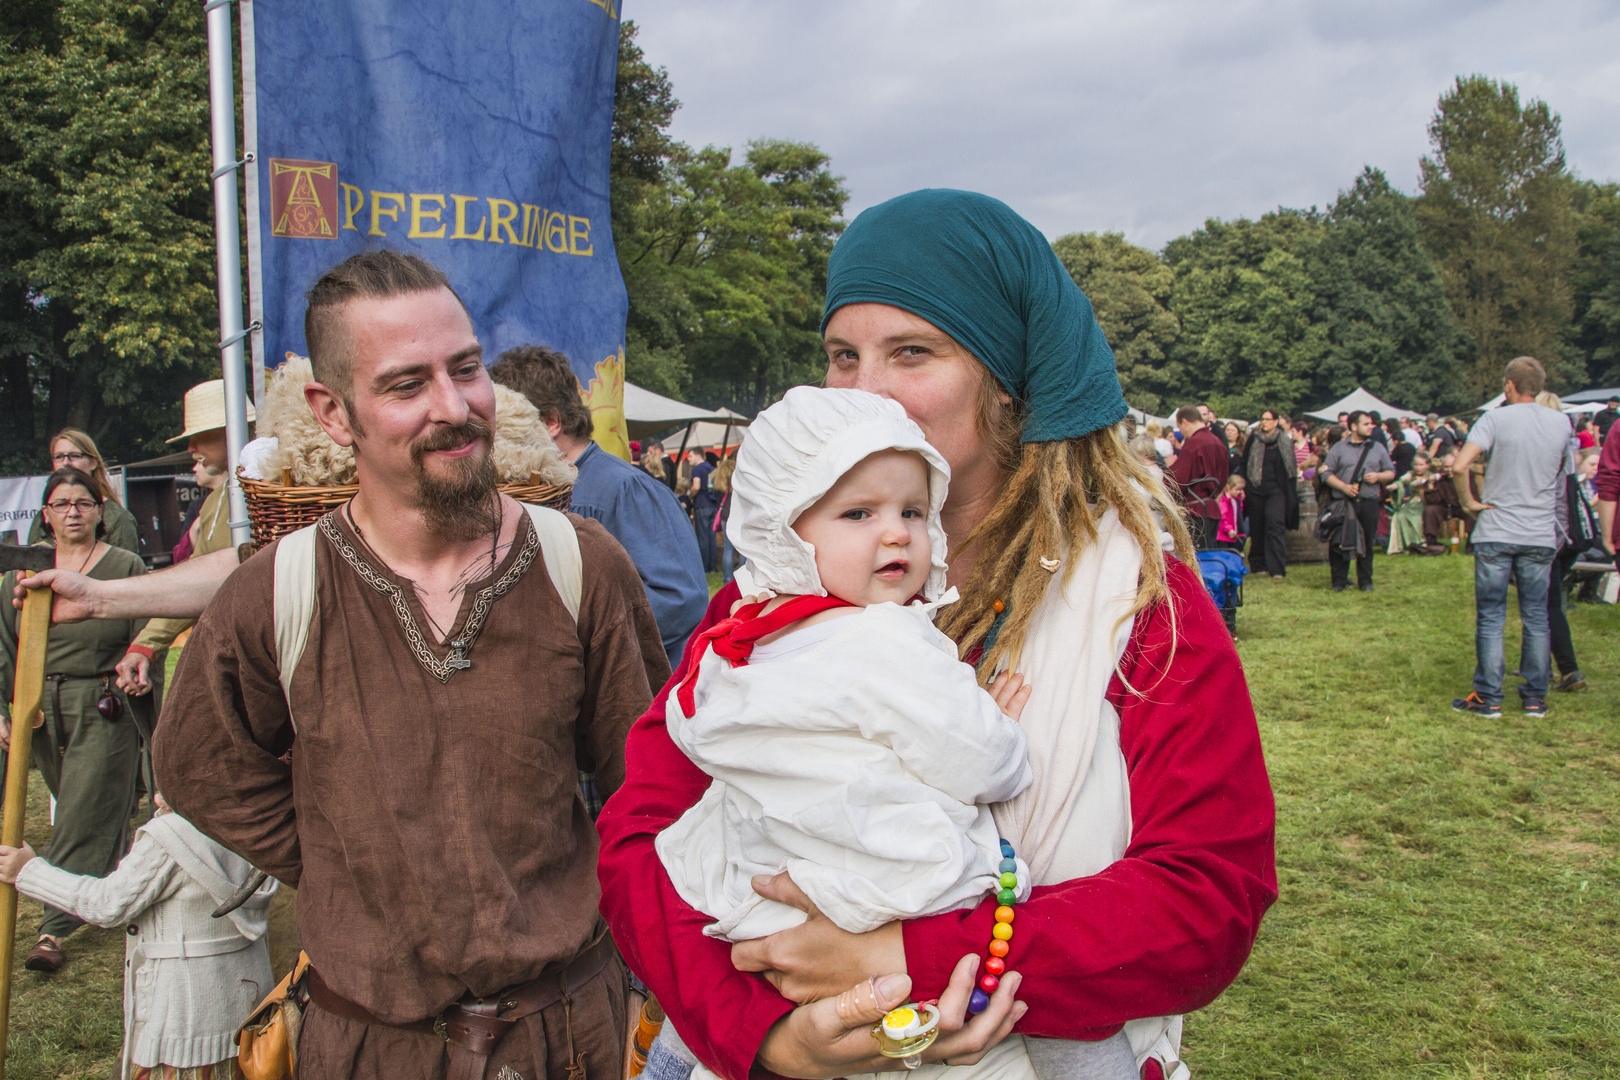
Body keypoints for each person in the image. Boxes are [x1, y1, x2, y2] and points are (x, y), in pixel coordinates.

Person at [597, 189, 1275, 1080]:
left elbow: (1206, 899)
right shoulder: (778, 596)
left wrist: (915, 956)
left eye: (912, 352)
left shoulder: (1139, 603)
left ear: (1007, 382)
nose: (866, 391)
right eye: (843, 356)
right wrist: (767, 1033)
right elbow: (640, 834)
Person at [150, 250, 667, 1080]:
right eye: (405, 385)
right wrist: (343, 858)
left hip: (568, 1036)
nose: (455, 407)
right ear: (331, 410)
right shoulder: (276, 592)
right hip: (368, 1049)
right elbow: (198, 764)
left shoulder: (581, 564)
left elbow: (650, 782)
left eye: (466, 370)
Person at [658, 386, 1036, 955]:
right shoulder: (885, 638)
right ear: (782, 531)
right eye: (858, 513)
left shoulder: (740, 640)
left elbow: (692, 731)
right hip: (891, 882)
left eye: (912, 510)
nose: (896, 532)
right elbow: (983, 765)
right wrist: (998, 725)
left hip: (758, 891)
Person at [0, 794, 276, 1080]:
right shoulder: (253, 816)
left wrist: (27, 871)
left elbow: (105, 904)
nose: (156, 796)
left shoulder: (173, 835)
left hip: (183, 1022)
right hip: (247, 1002)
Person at [0, 468, 147, 972]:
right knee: (81, 800)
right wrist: (5, 710)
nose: (72, 512)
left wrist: (138, 673)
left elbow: (143, 633)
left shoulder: (124, 565)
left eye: (82, 503)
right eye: (61, 504)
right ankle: (116, 868)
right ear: (45, 514)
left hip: (101, 701)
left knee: (83, 807)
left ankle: (52, 930)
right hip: (40, 705)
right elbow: (5, 649)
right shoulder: (21, 575)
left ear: (99, 511)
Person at [490, 344, 709, 671]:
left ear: (550, 422)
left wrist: (579, 642)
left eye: (504, 426)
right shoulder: (529, 491)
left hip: (640, 700)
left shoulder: (624, 489)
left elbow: (681, 599)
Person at [1449, 357, 1574, 720]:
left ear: (1508, 385)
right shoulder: (1561, 422)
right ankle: (1535, 697)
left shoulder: (1494, 419)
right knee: (1537, 615)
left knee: (1491, 615)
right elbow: (1563, 472)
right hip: (1539, 530)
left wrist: (1469, 502)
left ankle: (1489, 696)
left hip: (1498, 526)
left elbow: (1459, 465)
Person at [113, 380, 254, 700]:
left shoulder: (274, 492)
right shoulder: (214, 502)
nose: (191, 448)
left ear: (231, 429)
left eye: (198, 436)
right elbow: (197, 576)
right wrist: (146, 644)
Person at [28, 429, 141, 552]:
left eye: (74, 456)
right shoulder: (44, 515)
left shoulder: (118, 518)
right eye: (59, 457)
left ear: (93, 463)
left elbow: (126, 568)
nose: (66, 463)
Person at [1319, 411, 1396, 592]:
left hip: (1368, 502)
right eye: (1366, 424)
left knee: (1367, 542)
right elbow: (1325, 473)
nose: (1371, 427)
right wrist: (1343, 486)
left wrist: (1378, 476)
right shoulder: (1338, 448)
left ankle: (1365, 581)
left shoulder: (1377, 448)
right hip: (1343, 502)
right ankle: (1339, 580)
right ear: (1354, 426)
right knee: (1339, 542)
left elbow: (1391, 472)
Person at [1239, 409, 1298, 579]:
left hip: (1277, 490)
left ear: (1276, 421)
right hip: (1256, 488)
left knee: (1275, 525)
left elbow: (1290, 469)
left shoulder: (1284, 442)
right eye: (1262, 419)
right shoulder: (1254, 439)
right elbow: (1245, 463)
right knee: (1257, 527)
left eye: (1267, 419)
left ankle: (1277, 567)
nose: (1264, 422)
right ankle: (1258, 564)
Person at [1169, 405, 1229, 549]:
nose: (1181, 432)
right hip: (1212, 507)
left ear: (1185, 422)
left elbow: (1178, 479)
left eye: (1180, 427)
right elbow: (1224, 476)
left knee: (1197, 557)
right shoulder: (1218, 442)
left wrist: (1168, 470)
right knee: (1209, 554)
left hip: (1196, 510)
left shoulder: (1194, 444)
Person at [1388, 453, 1442, 555]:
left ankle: (1419, 543)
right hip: (1412, 502)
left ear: (1427, 465)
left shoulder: (1431, 476)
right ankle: (1403, 545)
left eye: (1421, 465)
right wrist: (1396, 486)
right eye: (1416, 464)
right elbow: (1402, 481)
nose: (1418, 467)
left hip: (1425, 502)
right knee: (1399, 515)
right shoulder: (1411, 474)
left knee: (1417, 516)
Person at [711, 452, 743, 585]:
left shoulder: (721, 472)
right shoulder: (740, 469)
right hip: (739, 512)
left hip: (725, 513)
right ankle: (742, 580)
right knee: (743, 549)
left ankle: (727, 580)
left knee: (728, 549)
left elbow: (716, 492)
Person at [689, 451, 722, 572]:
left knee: (702, 538)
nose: (688, 459)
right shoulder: (713, 468)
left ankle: (704, 568)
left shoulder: (697, 469)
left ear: (698, 456)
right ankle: (713, 567)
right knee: (712, 538)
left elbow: (696, 486)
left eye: (690, 456)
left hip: (701, 505)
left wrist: (690, 496)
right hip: (713, 504)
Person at [1215, 474, 1247, 551]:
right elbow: (1222, 517)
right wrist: (1228, 529)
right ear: (1229, 487)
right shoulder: (1224, 501)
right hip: (1223, 536)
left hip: (1233, 534)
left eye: (1241, 489)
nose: (1239, 492)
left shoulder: (1235, 500)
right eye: (1237, 489)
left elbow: (1238, 513)